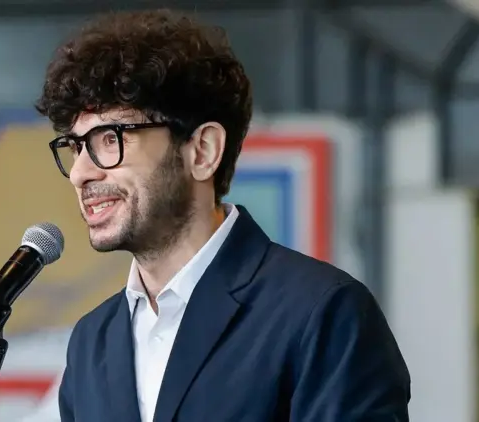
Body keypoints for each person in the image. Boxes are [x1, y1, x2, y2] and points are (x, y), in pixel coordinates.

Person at [33, 9, 411, 422]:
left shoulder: (320, 313)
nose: (81, 173)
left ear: (203, 151)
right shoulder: (93, 342)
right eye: (75, 147)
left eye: (110, 138)